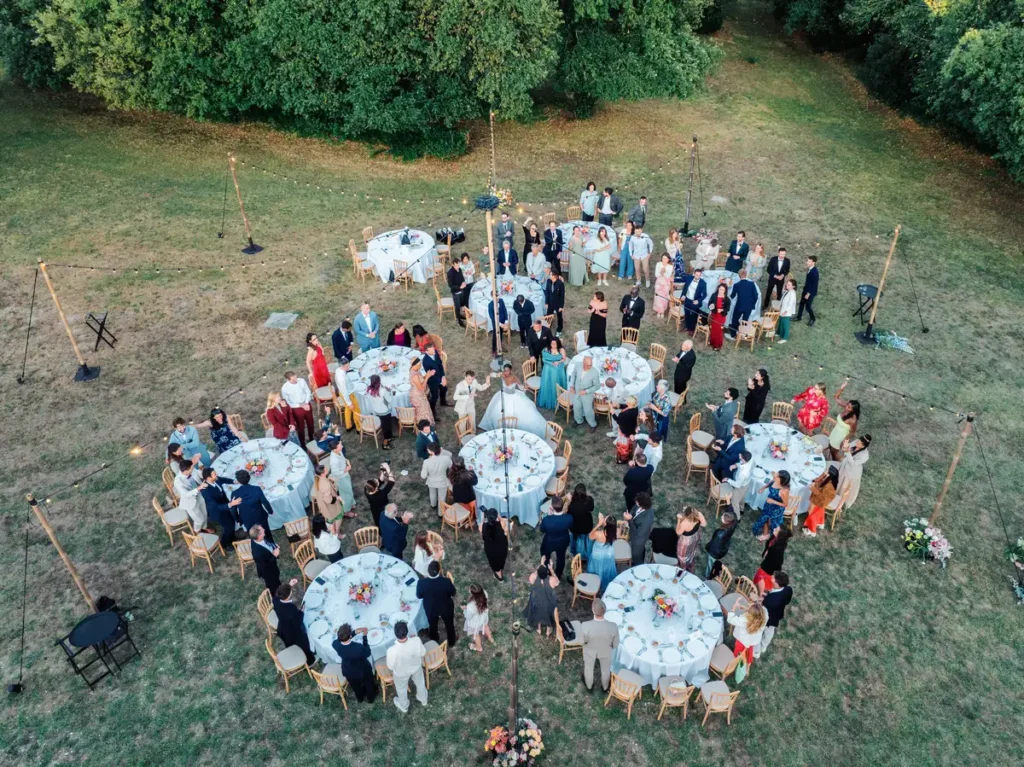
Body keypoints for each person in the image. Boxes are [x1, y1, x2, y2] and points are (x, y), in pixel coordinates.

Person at [385, 620, 427, 713]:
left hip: (401, 673)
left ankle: (404, 706)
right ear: (407, 631)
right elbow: (423, 653)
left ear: (395, 634)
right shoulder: (416, 640)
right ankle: (423, 699)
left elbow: (390, 667)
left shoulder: (391, 650)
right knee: (420, 683)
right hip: (416, 667)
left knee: (401, 690)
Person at [580, 598, 620, 692]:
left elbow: (581, 642)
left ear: (593, 611)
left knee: (588, 669)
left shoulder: (585, 625)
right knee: (606, 670)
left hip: (590, 650)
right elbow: (616, 644)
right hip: (605, 651)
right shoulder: (613, 626)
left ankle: (589, 686)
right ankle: (605, 687)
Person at [274, 581, 315, 665]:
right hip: (293, 632)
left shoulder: (276, 600)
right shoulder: (290, 609)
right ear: (287, 597)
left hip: (283, 627)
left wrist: (288, 585)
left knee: (290, 642)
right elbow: (297, 623)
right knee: (304, 644)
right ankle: (310, 661)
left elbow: (279, 594)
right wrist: (301, 612)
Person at [332, 624, 377, 703]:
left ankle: (360, 698)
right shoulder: (358, 647)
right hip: (362, 669)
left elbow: (341, 640)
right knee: (369, 683)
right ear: (350, 636)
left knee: (355, 687)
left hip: (348, 671)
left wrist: (354, 632)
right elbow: (368, 653)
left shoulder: (335, 644)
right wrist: (364, 637)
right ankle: (371, 698)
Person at [417, 560, 457, 645]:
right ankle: (451, 641)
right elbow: (453, 592)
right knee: (449, 625)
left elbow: (419, 596)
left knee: (432, 625)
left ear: (428, 571)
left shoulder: (421, 583)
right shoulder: (446, 581)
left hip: (431, 608)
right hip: (446, 607)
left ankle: (435, 641)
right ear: (439, 571)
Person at [199, 467, 240, 551]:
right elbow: (215, 506)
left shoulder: (216, 479)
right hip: (218, 512)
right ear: (208, 478)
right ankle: (225, 543)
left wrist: (234, 481)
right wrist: (230, 504)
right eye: (214, 474)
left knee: (231, 522)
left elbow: (223, 479)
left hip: (225, 505)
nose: (216, 475)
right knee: (228, 526)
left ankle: (232, 537)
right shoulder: (205, 491)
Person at [234, 469, 276, 543]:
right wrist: (270, 511)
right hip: (260, 516)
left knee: (253, 536)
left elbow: (233, 510)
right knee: (266, 533)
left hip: (246, 519)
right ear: (249, 477)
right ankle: (271, 545)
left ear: (238, 481)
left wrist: (238, 520)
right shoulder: (256, 489)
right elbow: (265, 502)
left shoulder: (235, 493)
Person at [757, 571, 792, 658]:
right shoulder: (788, 589)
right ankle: (764, 644)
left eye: (773, 578)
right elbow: (787, 601)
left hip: (770, 616)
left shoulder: (772, 601)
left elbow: (765, 603)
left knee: (766, 630)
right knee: (770, 629)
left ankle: (762, 645)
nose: (771, 578)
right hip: (778, 612)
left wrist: (761, 600)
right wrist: (767, 595)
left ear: (777, 584)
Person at [539, 496, 573, 580]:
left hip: (549, 542)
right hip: (563, 541)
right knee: (561, 558)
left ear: (552, 507)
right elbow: (570, 526)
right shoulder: (569, 518)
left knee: (546, 555)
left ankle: (547, 570)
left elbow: (542, 529)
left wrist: (549, 516)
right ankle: (558, 575)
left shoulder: (546, 520)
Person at [751, 470, 791, 539]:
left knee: (773, 523)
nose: (775, 476)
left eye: (777, 476)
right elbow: (770, 483)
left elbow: (785, 504)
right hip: (769, 504)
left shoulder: (784, 491)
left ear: (782, 480)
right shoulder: (775, 479)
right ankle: (765, 534)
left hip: (776, 508)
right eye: (776, 474)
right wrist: (763, 487)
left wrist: (773, 501)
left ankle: (773, 536)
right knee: (765, 518)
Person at [523, 561, 559, 636]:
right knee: (550, 611)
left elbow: (530, 579)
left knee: (537, 611)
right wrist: (551, 569)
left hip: (537, 602)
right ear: (547, 573)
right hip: (548, 604)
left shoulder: (534, 577)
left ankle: (538, 629)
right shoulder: (551, 580)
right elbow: (557, 582)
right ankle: (548, 631)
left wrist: (539, 568)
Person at [281, 370, 315, 448]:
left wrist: (306, 402)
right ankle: (302, 443)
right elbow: (288, 402)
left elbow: (308, 392)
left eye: (296, 378)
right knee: (300, 427)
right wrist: (299, 405)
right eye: (293, 380)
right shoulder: (285, 388)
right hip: (296, 408)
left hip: (306, 403)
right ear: (288, 380)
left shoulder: (301, 381)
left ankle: (312, 438)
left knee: (311, 423)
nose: (296, 380)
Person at [173, 462, 210, 533]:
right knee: (199, 520)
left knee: (205, 513)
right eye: (191, 469)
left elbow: (199, 473)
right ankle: (197, 530)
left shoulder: (191, 470)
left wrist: (207, 473)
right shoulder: (178, 481)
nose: (193, 470)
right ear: (186, 471)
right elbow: (186, 494)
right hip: (190, 502)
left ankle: (204, 527)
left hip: (199, 496)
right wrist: (199, 488)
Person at [586, 514, 619, 594]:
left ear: (606, 524)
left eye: (604, 519)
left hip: (599, 555)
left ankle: (596, 582)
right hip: (608, 554)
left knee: (597, 567)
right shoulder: (616, 531)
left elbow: (589, 536)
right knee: (606, 567)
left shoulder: (599, 534)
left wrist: (598, 524)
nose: (603, 518)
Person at [837, 435, 871, 509]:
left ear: (863, 446)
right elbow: (845, 449)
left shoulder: (864, 456)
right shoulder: (856, 442)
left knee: (844, 486)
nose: (857, 443)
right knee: (839, 480)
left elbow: (853, 463)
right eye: (858, 440)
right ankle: (835, 493)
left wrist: (847, 452)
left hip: (852, 472)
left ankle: (840, 501)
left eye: (860, 443)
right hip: (845, 465)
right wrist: (845, 446)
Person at [803, 466, 839, 536]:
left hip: (819, 501)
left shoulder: (829, 486)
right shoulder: (828, 480)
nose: (825, 472)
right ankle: (820, 522)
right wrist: (822, 477)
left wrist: (813, 489)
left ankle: (811, 530)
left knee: (811, 513)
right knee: (817, 512)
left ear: (830, 475)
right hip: (820, 501)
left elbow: (822, 497)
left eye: (827, 472)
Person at [829, 381, 860, 460]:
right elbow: (836, 398)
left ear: (853, 410)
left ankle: (836, 463)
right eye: (847, 405)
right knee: (830, 446)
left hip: (841, 436)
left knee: (833, 451)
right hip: (835, 431)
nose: (846, 407)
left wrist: (844, 441)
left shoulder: (853, 420)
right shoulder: (846, 406)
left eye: (849, 407)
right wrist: (841, 388)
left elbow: (852, 432)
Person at [364, 374, 395, 449]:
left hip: (377, 410)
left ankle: (389, 437)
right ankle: (385, 443)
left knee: (386, 424)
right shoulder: (382, 390)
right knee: (386, 427)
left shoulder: (370, 389)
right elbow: (390, 400)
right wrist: (390, 392)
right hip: (385, 410)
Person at [755, 528, 791, 592]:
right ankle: (756, 587)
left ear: (780, 535)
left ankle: (760, 591)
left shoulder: (778, 549)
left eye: (776, 529)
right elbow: (769, 545)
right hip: (767, 562)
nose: (774, 529)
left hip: (768, 569)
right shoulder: (774, 537)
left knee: (762, 583)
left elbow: (778, 563)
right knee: (759, 579)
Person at [564, 483, 595, 560]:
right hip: (586, 526)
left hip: (575, 527)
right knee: (585, 541)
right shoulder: (589, 501)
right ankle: (585, 554)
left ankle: (574, 552)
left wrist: (568, 501)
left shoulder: (572, 505)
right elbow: (591, 509)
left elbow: (567, 514)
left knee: (574, 539)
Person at [420, 442, 453, 513]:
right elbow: (451, 467)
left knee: (432, 493)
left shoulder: (426, 462)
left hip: (431, 481)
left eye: (428, 450)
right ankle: (440, 513)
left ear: (432, 452)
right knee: (442, 497)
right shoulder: (446, 458)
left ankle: (433, 504)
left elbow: (423, 476)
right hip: (442, 481)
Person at [570, 355, 600, 431]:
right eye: (588, 365)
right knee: (576, 407)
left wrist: (586, 391)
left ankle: (593, 424)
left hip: (587, 395)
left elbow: (597, 386)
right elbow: (573, 374)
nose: (589, 367)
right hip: (577, 391)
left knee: (588, 410)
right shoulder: (578, 365)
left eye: (591, 365)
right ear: (583, 362)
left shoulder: (595, 372)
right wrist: (572, 386)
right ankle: (578, 420)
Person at [624, 492, 654, 566]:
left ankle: (637, 566)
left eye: (637, 502)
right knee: (639, 551)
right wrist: (630, 514)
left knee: (636, 554)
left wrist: (629, 519)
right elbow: (634, 508)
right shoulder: (640, 505)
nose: (636, 502)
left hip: (639, 539)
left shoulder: (647, 519)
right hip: (635, 534)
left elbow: (639, 532)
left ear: (643, 504)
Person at [249, 525, 282, 593]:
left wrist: (273, 546)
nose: (264, 529)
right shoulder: (258, 553)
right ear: (259, 536)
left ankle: (278, 586)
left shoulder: (255, 539)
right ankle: (276, 596)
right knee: (273, 585)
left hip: (271, 565)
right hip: (268, 572)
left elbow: (267, 543)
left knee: (277, 579)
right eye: (262, 530)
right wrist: (275, 555)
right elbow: (266, 564)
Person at [704, 511, 737, 578]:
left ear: (727, 522)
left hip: (715, 553)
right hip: (722, 547)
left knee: (710, 564)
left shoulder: (720, 535)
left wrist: (708, 547)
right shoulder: (732, 525)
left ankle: (707, 576)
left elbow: (714, 547)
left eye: (723, 518)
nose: (721, 517)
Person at [537, 338, 568, 409]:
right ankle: (547, 399)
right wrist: (551, 363)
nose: (553, 345)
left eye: (554, 344)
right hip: (548, 368)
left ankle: (558, 398)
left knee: (556, 382)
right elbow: (544, 359)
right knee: (547, 383)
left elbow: (564, 358)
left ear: (558, 344)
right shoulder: (546, 349)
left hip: (558, 369)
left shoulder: (561, 350)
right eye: (552, 344)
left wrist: (558, 362)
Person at [462, 585, 494, 654]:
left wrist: (464, 610)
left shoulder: (471, 606)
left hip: (475, 622)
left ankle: (479, 647)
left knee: (476, 634)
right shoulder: (485, 593)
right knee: (485, 625)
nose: (469, 590)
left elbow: (468, 617)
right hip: (484, 616)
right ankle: (490, 638)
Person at [479, 507, 509, 580]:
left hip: (491, 548)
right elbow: (501, 520)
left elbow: (481, 533)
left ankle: (499, 575)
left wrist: (484, 516)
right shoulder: (502, 524)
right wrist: (497, 515)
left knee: (494, 561)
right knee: (502, 557)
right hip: (502, 546)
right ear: (496, 517)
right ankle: (501, 569)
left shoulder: (482, 526)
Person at [675, 506, 707, 573]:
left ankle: (683, 568)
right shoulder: (699, 514)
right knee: (692, 550)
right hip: (695, 536)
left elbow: (678, 532)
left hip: (686, 540)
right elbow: (704, 524)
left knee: (682, 555)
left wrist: (678, 520)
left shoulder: (684, 523)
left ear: (686, 514)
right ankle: (690, 563)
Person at [421, 343, 450, 416]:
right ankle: (432, 412)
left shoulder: (435, 352)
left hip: (440, 376)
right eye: (432, 350)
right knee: (434, 396)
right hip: (432, 381)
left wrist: (443, 377)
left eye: (434, 349)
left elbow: (440, 365)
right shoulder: (425, 362)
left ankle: (443, 402)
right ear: (426, 352)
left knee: (444, 389)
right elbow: (430, 376)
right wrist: (440, 381)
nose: (434, 351)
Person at [729, 269, 759, 337]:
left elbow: (732, 296)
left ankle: (733, 334)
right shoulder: (751, 284)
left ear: (739, 276)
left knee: (735, 319)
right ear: (746, 275)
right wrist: (752, 304)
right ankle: (742, 333)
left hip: (739, 306)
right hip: (749, 307)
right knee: (745, 320)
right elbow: (756, 296)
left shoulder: (736, 285)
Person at [364, 463, 395, 527]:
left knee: (378, 520)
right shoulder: (380, 495)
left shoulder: (367, 489)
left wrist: (383, 471)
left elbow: (380, 481)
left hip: (374, 509)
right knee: (385, 521)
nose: (377, 480)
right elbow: (391, 482)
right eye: (377, 482)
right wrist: (388, 469)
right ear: (376, 488)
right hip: (383, 510)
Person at [333, 357, 359, 431]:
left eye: (348, 365)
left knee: (347, 409)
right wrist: (349, 403)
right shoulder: (341, 378)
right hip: (348, 394)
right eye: (347, 366)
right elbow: (345, 391)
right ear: (342, 366)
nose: (348, 367)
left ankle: (348, 426)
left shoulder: (338, 370)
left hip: (342, 393)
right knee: (356, 410)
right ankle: (359, 428)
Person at [726, 450, 754, 517]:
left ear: (742, 458)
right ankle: (741, 509)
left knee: (734, 502)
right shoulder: (751, 460)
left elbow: (738, 485)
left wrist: (728, 480)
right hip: (746, 483)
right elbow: (742, 463)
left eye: (740, 455)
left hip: (740, 487)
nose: (739, 455)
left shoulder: (743, 473)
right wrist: (736, 465)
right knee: (742, 498)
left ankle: (737, 518)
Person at [679, 268, 707, 334]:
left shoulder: (703, 283)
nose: (698, 276)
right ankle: (687, 327)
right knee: (687, 313)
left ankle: (692, 330)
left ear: (701, 275)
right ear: (694, 274)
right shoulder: (689, 278)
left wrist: (698, 301)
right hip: (687, 299)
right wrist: (683, 295)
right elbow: (685, 288)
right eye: (696, 275)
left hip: (695, 301)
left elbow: (704, 294)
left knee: (693, 315)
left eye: (699, 275)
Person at [613, 396, 640, 464]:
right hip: (631, 429)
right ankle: (629, 454)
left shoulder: (626, 414)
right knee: (629, 444)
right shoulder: (635, 407)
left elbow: (618, 420)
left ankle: (622, 459)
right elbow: (624, 406)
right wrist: (618, 405)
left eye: (627, 399)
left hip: (625, 432)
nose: (625, 400)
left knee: (623, 446)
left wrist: (613, 413)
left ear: (629, 403)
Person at [407, 358, 434, 426]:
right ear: (414, 365)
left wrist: (428, 375)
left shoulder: (415, 370)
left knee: (425, 410)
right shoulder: (415, 375)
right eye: (419, 365)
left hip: (419, 394)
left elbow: (421, 379)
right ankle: (424, 426)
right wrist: (427, 377)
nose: (420, 366)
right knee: (423, 412)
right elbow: (421, 388)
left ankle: (427, 425)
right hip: (418, 396)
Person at [795, 255, 819, 326]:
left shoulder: (814, 272)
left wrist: (808, 294)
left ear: (813, 263)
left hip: (810, 292)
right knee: (802, 303)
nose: (807, 262)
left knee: (808, 307)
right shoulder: (810, 269)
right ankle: (798, 317)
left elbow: (814, 284)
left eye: (809, 262)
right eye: (807, 261)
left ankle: (813, 318)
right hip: (806, 289)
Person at [708, 283, 730, 351]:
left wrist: (722, 309)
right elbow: (709, 304)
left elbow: (727, 309)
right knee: (713, 329)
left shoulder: (727, 299)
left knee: (718, 331)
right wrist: (711, 306)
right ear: (718, 288)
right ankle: (712, 342)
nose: (721, 291)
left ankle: (717, 345)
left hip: (721, 317)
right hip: (714, 315)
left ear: (725, 291)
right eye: (720, 289)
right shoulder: (714, 295)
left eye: (723, 290)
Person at [447, 261, 468, 327]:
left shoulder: (460, 269)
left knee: (462, 303)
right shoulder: (450, 273)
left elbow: (462, 278)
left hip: (461, 290)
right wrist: (459, 287)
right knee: (457, 307)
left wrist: (463, 282)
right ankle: (458, 320)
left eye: (458, 265)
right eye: (456, 265)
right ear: (453, 264)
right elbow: (450, 285)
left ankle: (461, 316)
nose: (458, 266)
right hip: (456, 292)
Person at [777, 278, 797, 343]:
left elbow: (791, 304)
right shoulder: (787, 290)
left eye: (789, 285)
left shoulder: (792, 293)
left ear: (793, 286)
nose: (787, 285)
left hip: (786, 311)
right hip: (782, 309)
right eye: (787, 284)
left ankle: (784, 338)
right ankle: (779, 333)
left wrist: (786, 311)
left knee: (785, 324)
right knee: (781, 322)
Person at [546, 269, 566, 335]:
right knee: (549, 315)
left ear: (555, 276)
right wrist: (546, 302)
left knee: (559, 316)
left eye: (551, 275)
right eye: (550, 274)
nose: (550, 276)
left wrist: (561, 306)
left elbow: (562, 296)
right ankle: (548, 327)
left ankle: (559, 330)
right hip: (550, 302)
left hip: (557, 303)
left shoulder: (560, 284)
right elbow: (547, 292)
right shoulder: (548, 281)